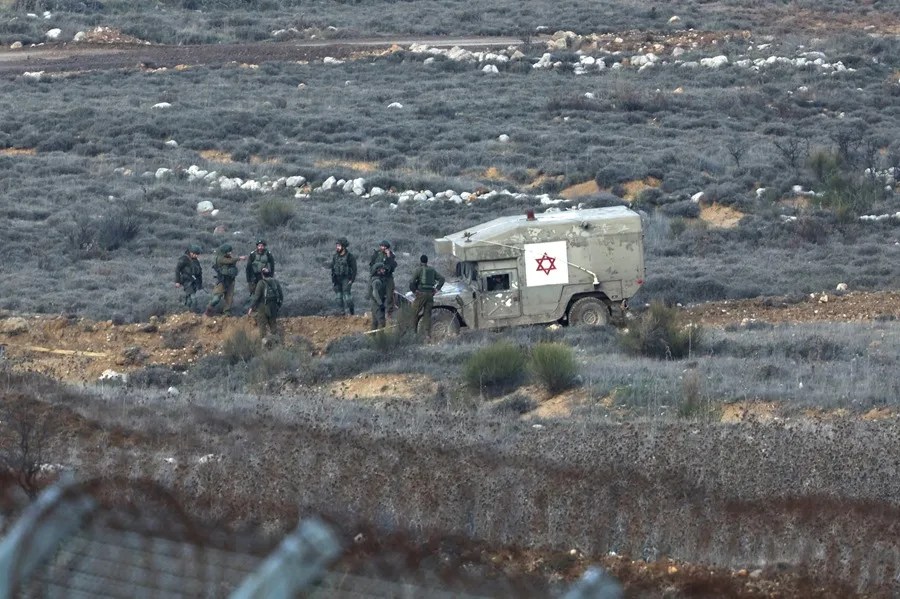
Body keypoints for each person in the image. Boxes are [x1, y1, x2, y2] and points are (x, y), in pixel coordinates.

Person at [408, 254, 445, 338]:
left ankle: (413, 333)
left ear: (420, 261)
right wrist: (437, 289)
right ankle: (427, 334)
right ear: (427, 261)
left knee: (414, 313)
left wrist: (415, 291)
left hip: (421, 294)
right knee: (427, 314)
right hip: (430, 295)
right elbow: (442, 279)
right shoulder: (432, 270)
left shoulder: (418, 270)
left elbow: (411, 282)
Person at [205, 243, 246, 316]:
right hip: (222, 281)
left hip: (230, 280)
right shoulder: (220, 258)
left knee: (229, 298)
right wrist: (239, 258)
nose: (230, 253)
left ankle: (226, 313)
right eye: (228, 251)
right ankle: (209, 309)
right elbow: (228, 261)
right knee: (216, 298)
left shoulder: (229, 257)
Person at [247, 267, 283, 340]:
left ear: (262, 274)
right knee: (273, 325)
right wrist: (278, 306)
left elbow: (256, 297)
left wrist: (251, 308)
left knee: (262, 326)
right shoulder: (276, 282)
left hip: (262, 307)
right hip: (273, 307)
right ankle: (276, 342)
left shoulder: (261, 283)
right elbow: (281, 295)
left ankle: (264, 344)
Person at [368, 240, 397, 329]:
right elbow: (371, 265)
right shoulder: (376, 254)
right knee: (376, 294)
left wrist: (388, 256)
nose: (382, 248)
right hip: (378, 276)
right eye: (381, 246)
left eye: (384, 246)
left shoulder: (391, 255)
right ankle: (377, 311)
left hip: (388, 277)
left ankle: (389, 312)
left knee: (389, 295)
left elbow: (393, 265)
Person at [330, 237, 357, 316]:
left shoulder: (350, 257)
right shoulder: (335, 256)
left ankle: (352, 312)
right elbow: (333, 267)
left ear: (343, 247)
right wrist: (333, 279)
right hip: (337, 279)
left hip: (346, 278)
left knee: (347, 297)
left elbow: (354, 269)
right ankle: (342, 313)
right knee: (338, 297)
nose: (337, 247)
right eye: (337, 245)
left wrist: (352, 279)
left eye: (339, 246)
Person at [174, 244, 203, 311]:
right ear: (191, 253)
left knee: (189, 299)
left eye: (197, 254)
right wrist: (177, 281)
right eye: (195, 254)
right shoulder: (184, 259)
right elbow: (177, 270)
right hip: (186, 281)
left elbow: (199, 272)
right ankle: (192, 313)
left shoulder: (196, 261)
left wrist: (200, 284)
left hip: (194, 282)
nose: (197, 256)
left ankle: (187, 312)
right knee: (193, 299)